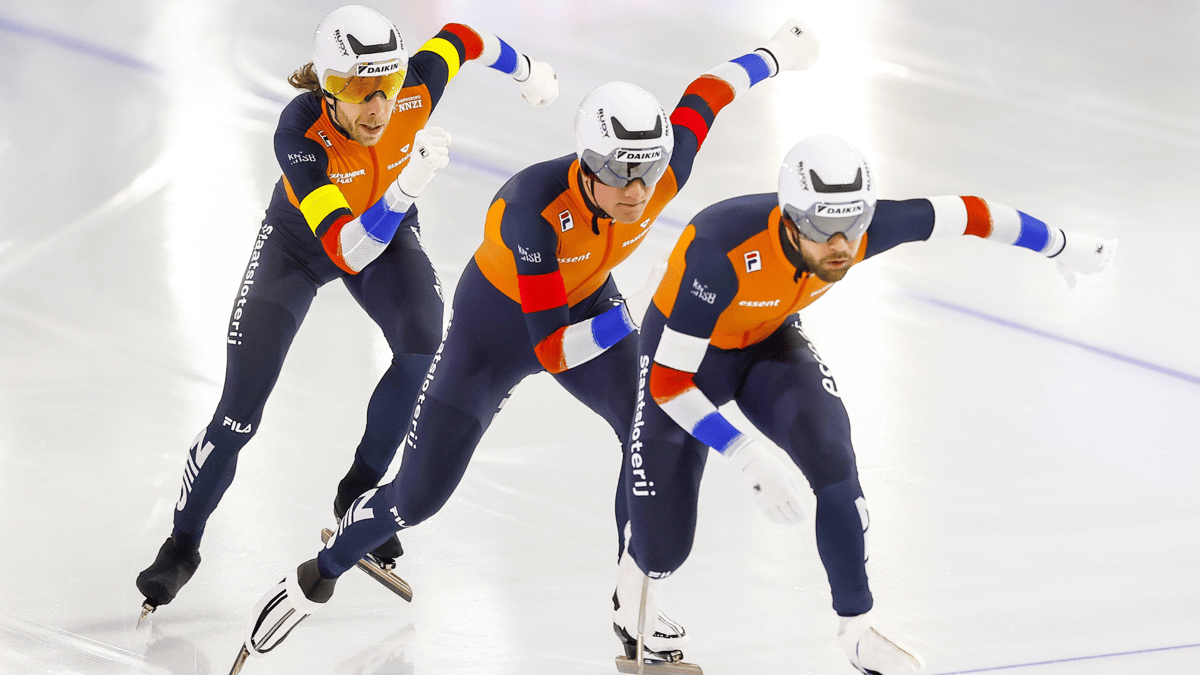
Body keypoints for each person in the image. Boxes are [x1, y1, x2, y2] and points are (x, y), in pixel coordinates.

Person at [233, 19, 824, 663]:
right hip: (500, 333)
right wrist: (639, 318)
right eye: (622, 174)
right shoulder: (531, 211)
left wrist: (775, 55)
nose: (638, 192)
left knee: (650, 428)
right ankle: (320, 570)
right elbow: (553, 350)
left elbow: (709, 93)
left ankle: (638, 604)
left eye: (649, 172)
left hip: (589, 301)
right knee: (418, 498)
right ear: (587, 167)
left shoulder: (659, 170)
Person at [615, 134, 1118, 674]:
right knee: (664, 548)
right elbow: (669, 384)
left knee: (832, 454)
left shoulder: (860, 228)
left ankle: (857, 632)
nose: (840, 246)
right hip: (686, 355)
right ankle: (632, 590)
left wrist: (1060, 245)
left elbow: (967, 213)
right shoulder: (720, 252)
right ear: (788, 221)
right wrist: (745, 454)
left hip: (769, 341)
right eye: (822, 230)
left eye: (851, 228)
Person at [135, 4, 558, 619]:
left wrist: (526, 70)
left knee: (423, 339)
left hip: (386, 233)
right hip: (303, 245)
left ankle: (360, 487)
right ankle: (181, 543)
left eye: (386, 88)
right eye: (360, 92)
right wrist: (406, 187)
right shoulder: (299, 131)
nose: (378, 107)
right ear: (328, 89)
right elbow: (345, 249)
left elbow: (463, 39)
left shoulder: (413, 85)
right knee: (238, 416)